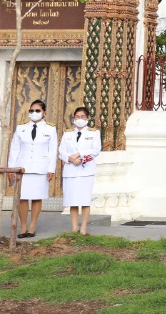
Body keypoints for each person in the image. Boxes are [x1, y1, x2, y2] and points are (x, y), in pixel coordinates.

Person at [6, 99, 58, 239]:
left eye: (37, 111)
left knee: (36, 197)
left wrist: (51, 169)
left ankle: (32, 225)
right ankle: (23, 226)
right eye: (31, 110)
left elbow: (52, 151)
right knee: (21, 198)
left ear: (44, 113)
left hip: (41, 168)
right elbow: (14, 149)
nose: (34, 113)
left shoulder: (50, 129)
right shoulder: (21, 128)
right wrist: (11, 168)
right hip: (22, 167)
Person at [59, 106, 102, 236]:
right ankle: (74, 227)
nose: (80, 119)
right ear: (73, 119)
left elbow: (95, 150)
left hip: (86, 171)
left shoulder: (94, 133)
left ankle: (83, 228)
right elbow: (61, 151)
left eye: (83, 116)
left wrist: (79, 156)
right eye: (77, 117)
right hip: (71, 170)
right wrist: (70, 159)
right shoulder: (67, 134)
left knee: (84, 200)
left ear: (87, 118)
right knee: (72, 201)